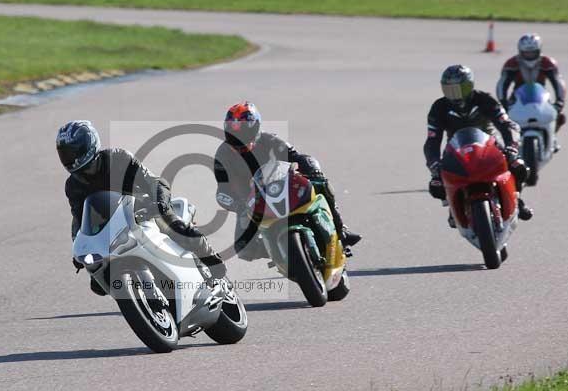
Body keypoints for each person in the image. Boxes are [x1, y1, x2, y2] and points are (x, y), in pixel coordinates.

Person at [57, 120, 227, 289]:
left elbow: (155, 182)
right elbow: (79, 218)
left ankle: (211, 259)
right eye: (65, 153)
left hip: (143, 210)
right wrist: (81, 250)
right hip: (111, 226)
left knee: (173, 226)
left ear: (89, 144)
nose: (70, 157)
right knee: (98, 282)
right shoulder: (73, 185)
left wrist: (160, 203)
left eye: (73, 151)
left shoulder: (118, 157)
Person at [213, 101, 361, 261]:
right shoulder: (222, 155)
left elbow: (297, 156)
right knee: (243, 249)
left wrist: (311, 167)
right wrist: (238, 204)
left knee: (320, 182)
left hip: (281, 186)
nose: (240, 139)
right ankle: (278, 250)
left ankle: (340, 230)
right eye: (234, 133)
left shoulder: (269, 140)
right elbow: (222, 191)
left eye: (244, 131)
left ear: (256, 128)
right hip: (251, 202)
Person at [425, 65, 533, 221]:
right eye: (449, 90)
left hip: (488, 145)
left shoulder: (484, 99)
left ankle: (517, 199)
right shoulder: (439, 107)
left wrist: (512, 147)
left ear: (470, 86)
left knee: (519, 167)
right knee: (436, 184)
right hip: (456, 149)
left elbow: (507, 125)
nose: (455, 95)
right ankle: (453, 206)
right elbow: (432, 140)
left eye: (460, 89)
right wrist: (433, 163)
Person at [496, 33, 567, 134]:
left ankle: (552, 137)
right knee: (503, 118)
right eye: (526, 53)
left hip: (542, 97)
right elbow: (502, 84)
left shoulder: (548, 63)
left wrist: (560, 102)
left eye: (533, 52)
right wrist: (503, 102)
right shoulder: (512, 63)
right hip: (517, 97)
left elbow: (558, 82)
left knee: (560, 116)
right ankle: (511, 140)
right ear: (520, 51)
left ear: (539, 51)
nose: (529, 55)